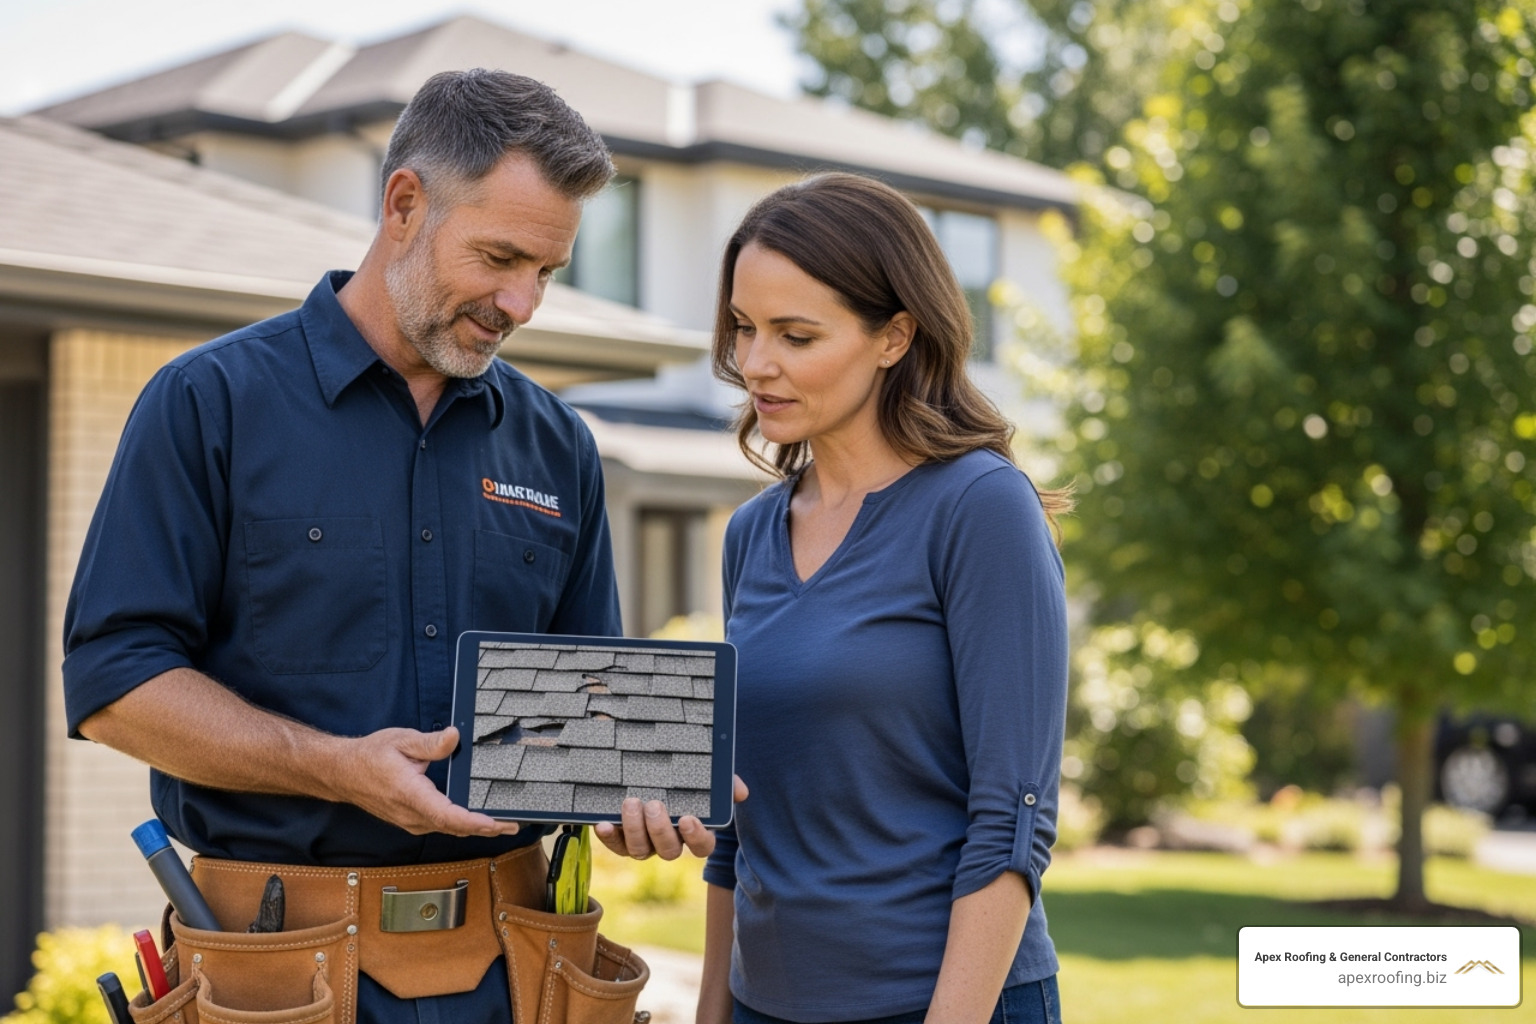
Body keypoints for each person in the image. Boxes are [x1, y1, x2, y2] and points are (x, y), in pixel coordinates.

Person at [62, 69, 709, 1024]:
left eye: (547, 271)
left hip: (520, 968)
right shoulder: (209, 403)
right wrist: (333, 765)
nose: (523, 302)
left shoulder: (558, 444)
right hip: (277, 971)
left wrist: (634, 794)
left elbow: (585, 724)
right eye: (500, 257)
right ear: (404, 204)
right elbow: (114, 685)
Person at [695, 174, 1072, 1024]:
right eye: (745, 328)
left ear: (894, 336)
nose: (756, 363)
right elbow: (734, 829)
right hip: (764, 1005)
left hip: (946, 1003)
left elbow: (1013, 823)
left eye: (796, 335)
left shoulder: (981, 508)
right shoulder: (751, 534)